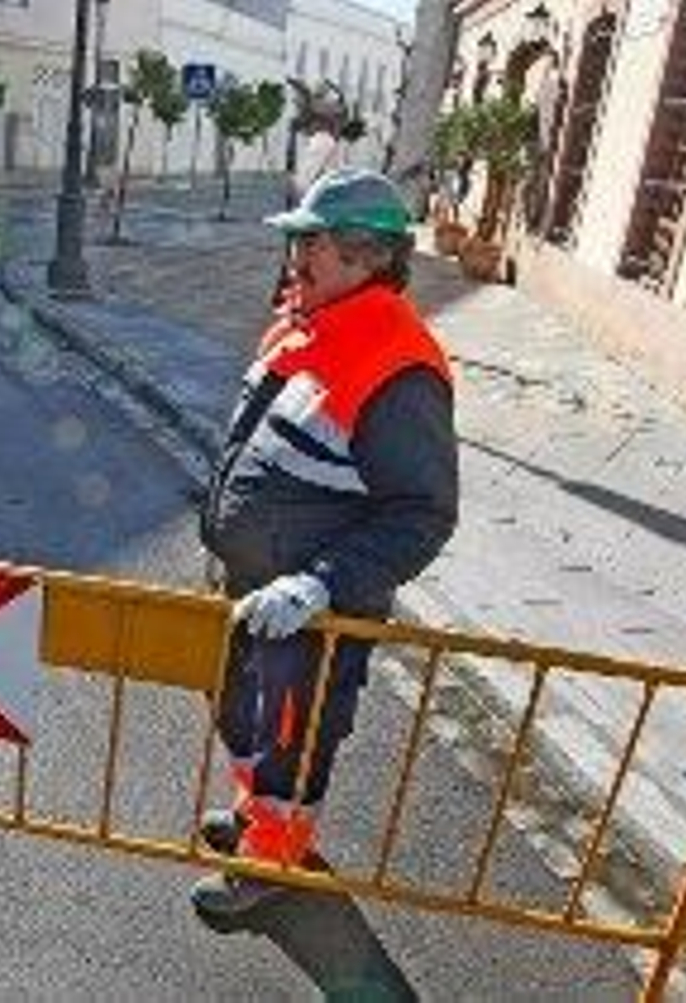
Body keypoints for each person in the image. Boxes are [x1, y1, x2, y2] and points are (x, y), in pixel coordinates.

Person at [192, 168, 459, 917]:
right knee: (246, 717)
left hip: (313, 613)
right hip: (255, 590)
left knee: (292, 736)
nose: (295, 258)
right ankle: (257, 822)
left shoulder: (400, 365)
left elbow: (422, 513)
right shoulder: (304, 321)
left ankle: (273, 865)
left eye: (312, 244)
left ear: (367, 256)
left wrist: (319, 584)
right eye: (297, 241)